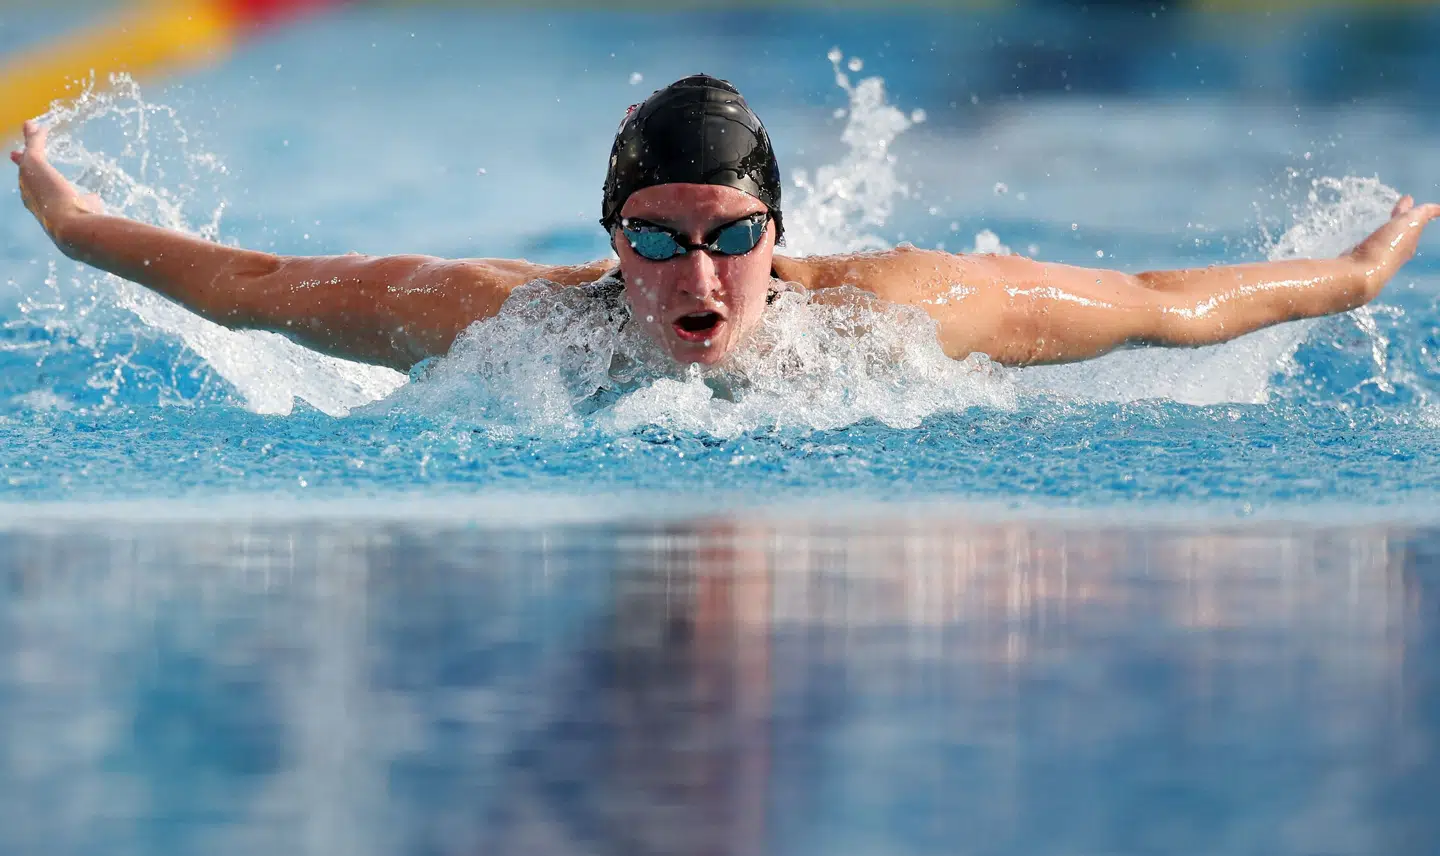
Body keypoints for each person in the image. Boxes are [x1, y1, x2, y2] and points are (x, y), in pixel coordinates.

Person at [10, 74, 1438, 376]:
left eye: (731, 236)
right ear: (607, 241)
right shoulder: (502, 324)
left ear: (779, 233)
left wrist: (1359, 275)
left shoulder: (901, 314)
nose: (697, 273)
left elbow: (1156, 295)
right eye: (654, 239)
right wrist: (73, 224)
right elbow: (254, 284)